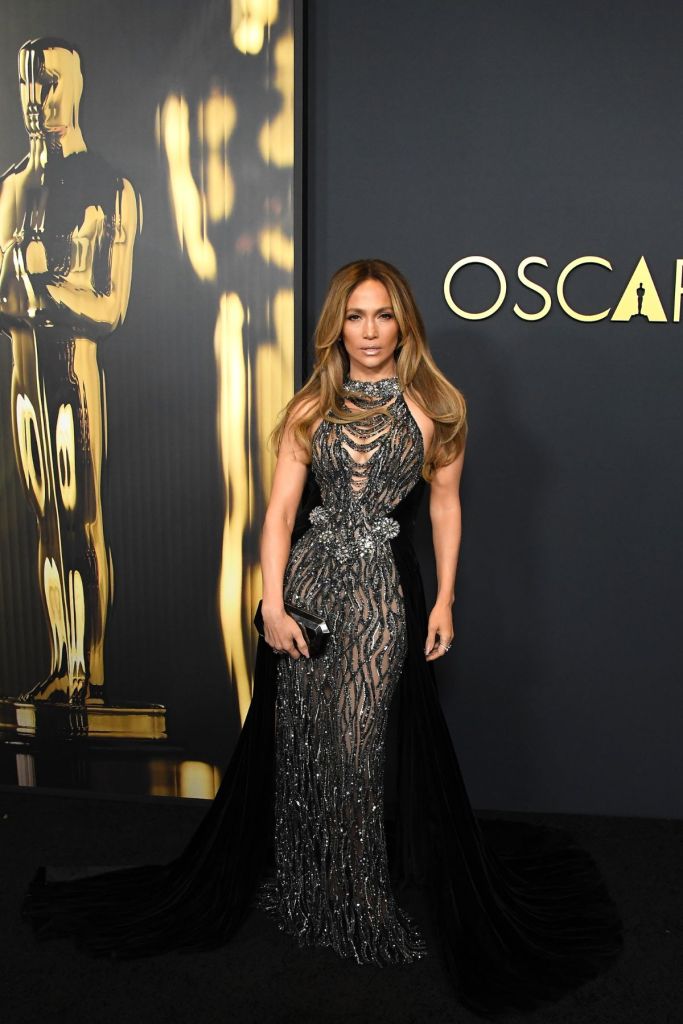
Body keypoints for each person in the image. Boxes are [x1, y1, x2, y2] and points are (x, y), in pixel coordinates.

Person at [23, 260, 623, 1016]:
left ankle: (355, 896)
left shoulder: (437, 406)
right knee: (302, 740)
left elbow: (444, 508)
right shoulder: (312, 405)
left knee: (357, 739)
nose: (368, 332)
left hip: (380, 594)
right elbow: (276, 514)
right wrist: (270, 604)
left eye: (382, 316)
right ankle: (308, 879)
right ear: (336, 326)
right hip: (307, 588)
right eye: (354, 317)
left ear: (403, 324)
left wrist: (443, 600)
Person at [0, 37, 138, 705]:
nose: (37, 96)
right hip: (24, 375)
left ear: (76, 84)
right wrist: (20, 287)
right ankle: (61, 659)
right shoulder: (13, 185)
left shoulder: (109, 185)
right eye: (28, 81)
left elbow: (111, 307)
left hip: (74, 372)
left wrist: (40, 288)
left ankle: (88, 667)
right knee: (44, 520)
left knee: (80, 516)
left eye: (49, 80)